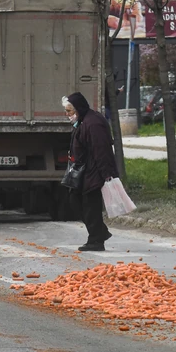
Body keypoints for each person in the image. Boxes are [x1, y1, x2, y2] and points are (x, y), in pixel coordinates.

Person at [63, 92, 118, 251]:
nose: (67, 114)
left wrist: (106, 174)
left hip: (93, 172)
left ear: (78, 108)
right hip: (84, 171)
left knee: (90, 206)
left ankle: (96, 240)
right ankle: (100, 233)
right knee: (76, 201)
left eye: (69, 111)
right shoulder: (83, 120)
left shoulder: (93, 123)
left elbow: (101, 150)